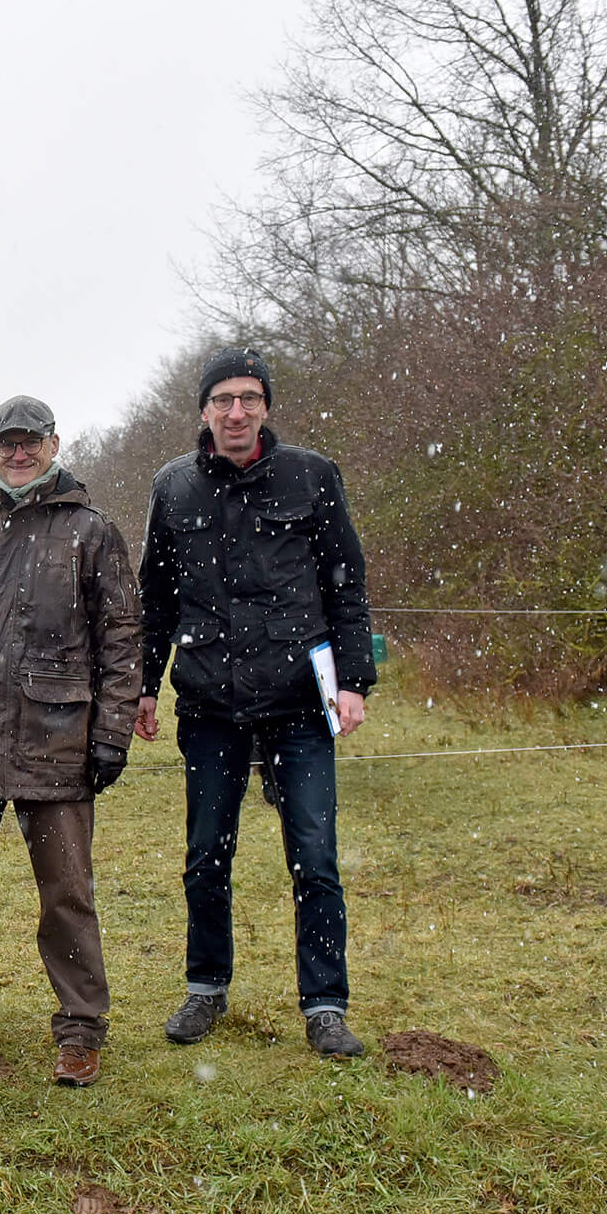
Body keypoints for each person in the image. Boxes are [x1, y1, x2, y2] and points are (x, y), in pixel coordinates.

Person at [135, 347, 376, 1059]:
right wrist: (145, 685)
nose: (235, 412)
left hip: (299, 702)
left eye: (248, 398)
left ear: (266, 406)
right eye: (223, 400)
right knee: (206, 854)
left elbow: (346, 585)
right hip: (209, 702)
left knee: (315, 857)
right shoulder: (173, 487)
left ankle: (325, 1006)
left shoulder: (313, 476)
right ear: (204, 410)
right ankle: (205, 987)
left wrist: (353, 682)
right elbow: (156, 599)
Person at [0, 396, 140, 1087]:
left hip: (57, 741)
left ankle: (80, 1026)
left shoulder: (91, 532)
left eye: (30, 442)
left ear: (53, 444)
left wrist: (112, 733)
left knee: (66, 892)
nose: (18, 453)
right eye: (6, 443)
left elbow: (121, 638)